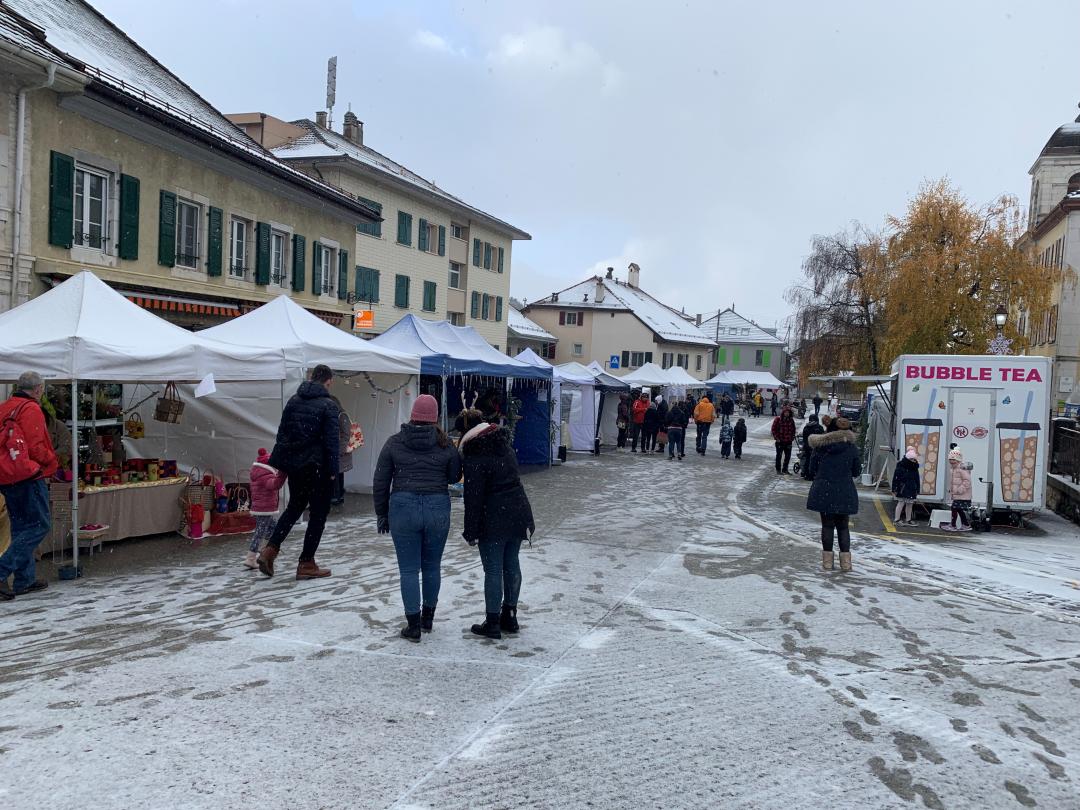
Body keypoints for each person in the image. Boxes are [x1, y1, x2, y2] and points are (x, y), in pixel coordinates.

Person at [373, 394, 462, 641]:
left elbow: (381, 481)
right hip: (437, 506)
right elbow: (455, 476)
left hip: (403, 507)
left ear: (412, 415)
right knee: (432, 566)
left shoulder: (394, 442)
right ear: (434, 418)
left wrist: (382, 513)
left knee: (409, 570)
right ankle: (428, 618)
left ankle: (412, 625)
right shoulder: (445, 445)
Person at [459, 410, 535, 640]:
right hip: (518, 511)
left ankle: (492, 622)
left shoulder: (475, 455)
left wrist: (470, 531)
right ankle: (509, 615)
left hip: (493, 516)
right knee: (511, 564)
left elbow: (473, 497)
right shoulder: (505, 447)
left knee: (492, 570)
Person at [259, 365, 340, 580]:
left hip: (295, 466)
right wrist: (333, 470)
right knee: (318, 514)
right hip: (317, 468)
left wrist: (287, 461)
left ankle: (270, 550)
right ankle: (306, 563)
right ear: (328, 381)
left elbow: (282, 433)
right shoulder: (328, 406)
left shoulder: (294, 400)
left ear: (312, 377)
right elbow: (332, 443)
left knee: (295, 507)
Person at [0, 372, 58, 600]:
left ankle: (25, 579)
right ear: (38, 389)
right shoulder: (31, 408)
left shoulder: (5, 407)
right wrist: (53, 462)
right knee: (39, 525)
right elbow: (35, 448)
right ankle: (3, 570)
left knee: (21, 527)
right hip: (27, 474)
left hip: (6, 475)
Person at [807, 417, 861, 572]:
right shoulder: (851, 448)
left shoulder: (820, 447)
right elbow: (856, 471)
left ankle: (827, 563)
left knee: (827, 526)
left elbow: (811, 470)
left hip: (824, 490)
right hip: (845, 490)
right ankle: (846, 563)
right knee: (843, 527)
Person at [247, 448, 286, 569]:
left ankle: (265, 550)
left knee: (273, 528)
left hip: (261, 508)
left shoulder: (258, 473)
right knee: (259, 533)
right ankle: (251, 558)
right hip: (264, 509)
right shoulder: (265, 475)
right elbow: (274, 485)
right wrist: (282, 474)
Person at [329, 395, 354, 506]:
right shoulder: (337, 415)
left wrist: (339, 450)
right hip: (337, 450)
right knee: (337, 473)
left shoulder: (341, 416)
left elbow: (346, 435)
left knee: (336, 473)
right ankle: (337, 496)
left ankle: (336, 496)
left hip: (340, 452)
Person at [943, 449, 972, 532]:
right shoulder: (953, 469)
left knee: (954, 508)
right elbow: (954, 482)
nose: (952, 461)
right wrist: (951, 489)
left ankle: (953, 525)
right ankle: (965, 524)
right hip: (958, 494)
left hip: (962, 494)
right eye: (950, 459)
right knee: (958, 508)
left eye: (954, 459)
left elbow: (967, 481)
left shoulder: (961, 469)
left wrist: (959, 490)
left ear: (958, 460)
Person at [892, 447, 920, 526]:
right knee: (901, 502)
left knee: (910, 504)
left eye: (914, 459)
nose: (913, 461)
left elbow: (917, 479)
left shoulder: (914, 467)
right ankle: (896, 519)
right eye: (911, 459)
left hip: (911, 488)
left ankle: (908, 519)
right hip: (902, 488)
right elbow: (896, 478)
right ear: (907, 458)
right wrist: (894, 488)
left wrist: (917, 488)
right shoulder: (901, 466)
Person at [770, 405, 797, 474]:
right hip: (780, 441)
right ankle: (778, 470)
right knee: (779, 456)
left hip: (788, 441)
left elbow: (794, 429)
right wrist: (776, 438)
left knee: (788, 456)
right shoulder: (778, 419)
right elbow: (773, 429)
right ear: (783, 412)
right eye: (785, 412)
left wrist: (792, 437)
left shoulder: (791, 420)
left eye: (788, 412)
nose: (787, 413)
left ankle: (785, 469)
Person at [800, 414, 825, 480]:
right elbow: (822, 437)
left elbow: (804, 438)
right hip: (816, 447)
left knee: (808, 460)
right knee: (815, 461)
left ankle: (806, 473)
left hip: (807, 446)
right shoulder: (819, 427)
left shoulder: (806, 427)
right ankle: (814, 474)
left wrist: (806, 445)